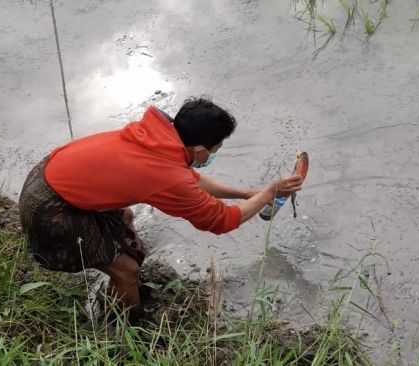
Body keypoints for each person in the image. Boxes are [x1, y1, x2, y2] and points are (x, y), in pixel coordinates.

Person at [18, 97, 302, 319]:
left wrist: (248, 193)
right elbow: (222, 221)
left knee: (126, 215)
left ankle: (121, 275)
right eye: (215, 150)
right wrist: (266, 195)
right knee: (126, 270)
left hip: (49, 175)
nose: (213, 155)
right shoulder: (166, 173)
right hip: (49, 208)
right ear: (201, 151)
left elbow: (193, 178)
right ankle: (127, 325)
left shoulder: (157, 136)